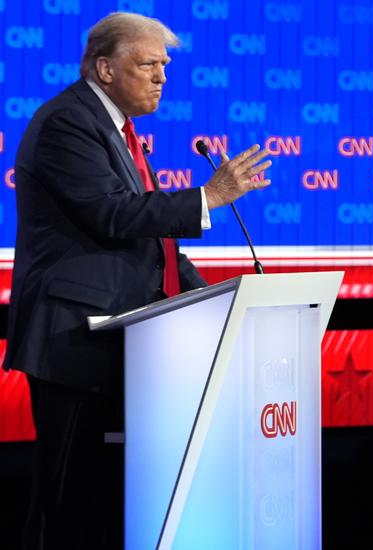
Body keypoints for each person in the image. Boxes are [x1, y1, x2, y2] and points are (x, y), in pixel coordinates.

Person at [2, 12, 272, 548]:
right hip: (73, 342)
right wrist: (208, 197)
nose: (161, 77)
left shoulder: (119, 131)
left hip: (118, 343)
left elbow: (148, 248)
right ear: (105, 68)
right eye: (148, 64)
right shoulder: (66, 123)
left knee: (103, 502)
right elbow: (113, 214)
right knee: (65, 501)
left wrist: (226, 298)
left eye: (165, 65)